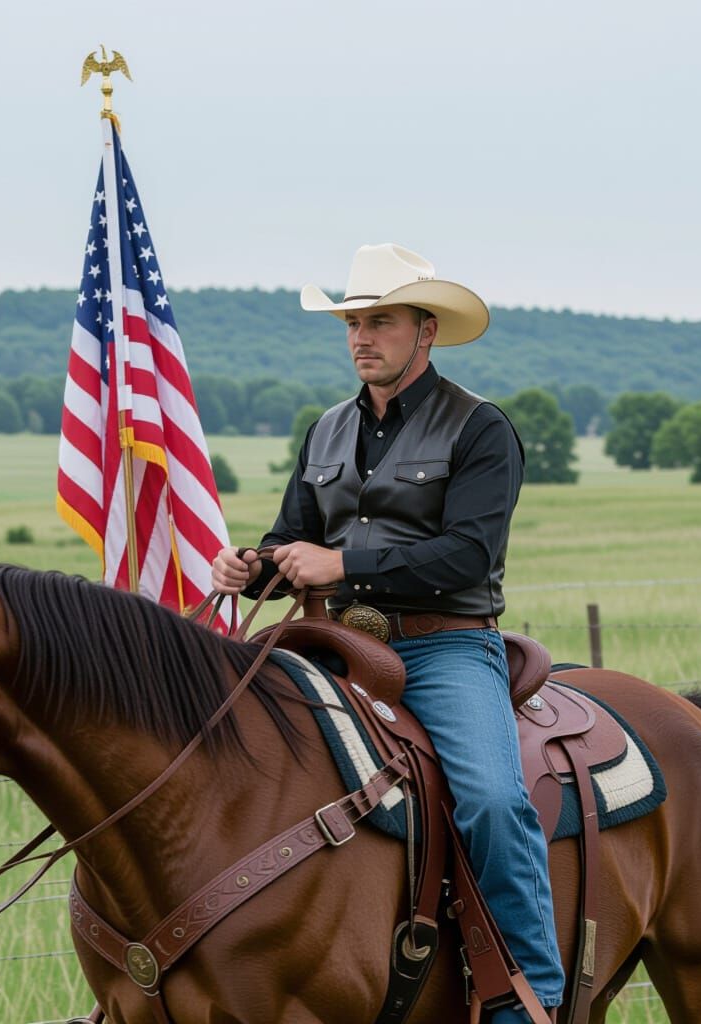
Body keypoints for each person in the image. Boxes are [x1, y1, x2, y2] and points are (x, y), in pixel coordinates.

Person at [211, 243, 563, 1023]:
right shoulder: (326, 431)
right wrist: (253, 568)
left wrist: (341, 564)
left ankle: (530, 997)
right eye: (352, 324)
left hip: (443, 647)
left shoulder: (479, 427)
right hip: (334, 647)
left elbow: (469, 554)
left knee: (493, 800)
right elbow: (293, 541)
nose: (361, 338)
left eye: (380, 322)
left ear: (426, 330)